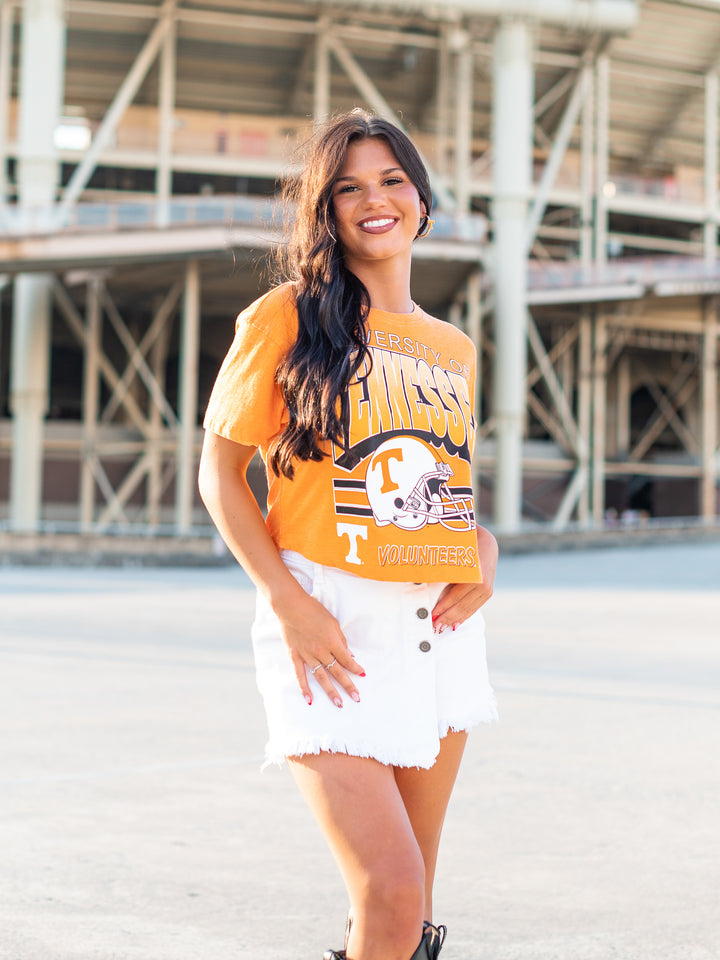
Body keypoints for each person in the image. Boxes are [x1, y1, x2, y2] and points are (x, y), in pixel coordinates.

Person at [198, 108, 498, 960]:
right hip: (326, 624)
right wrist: (285, 601)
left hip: (437, 629)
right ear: (325, 213)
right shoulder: (284, 318)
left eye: (392, 180)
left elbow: (441, 493)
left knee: (412, 913)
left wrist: (487, 548)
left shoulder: (452, 348)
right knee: (391, 890)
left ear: (422, 199)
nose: (375, 200)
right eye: (348, 188)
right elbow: (219, 475)